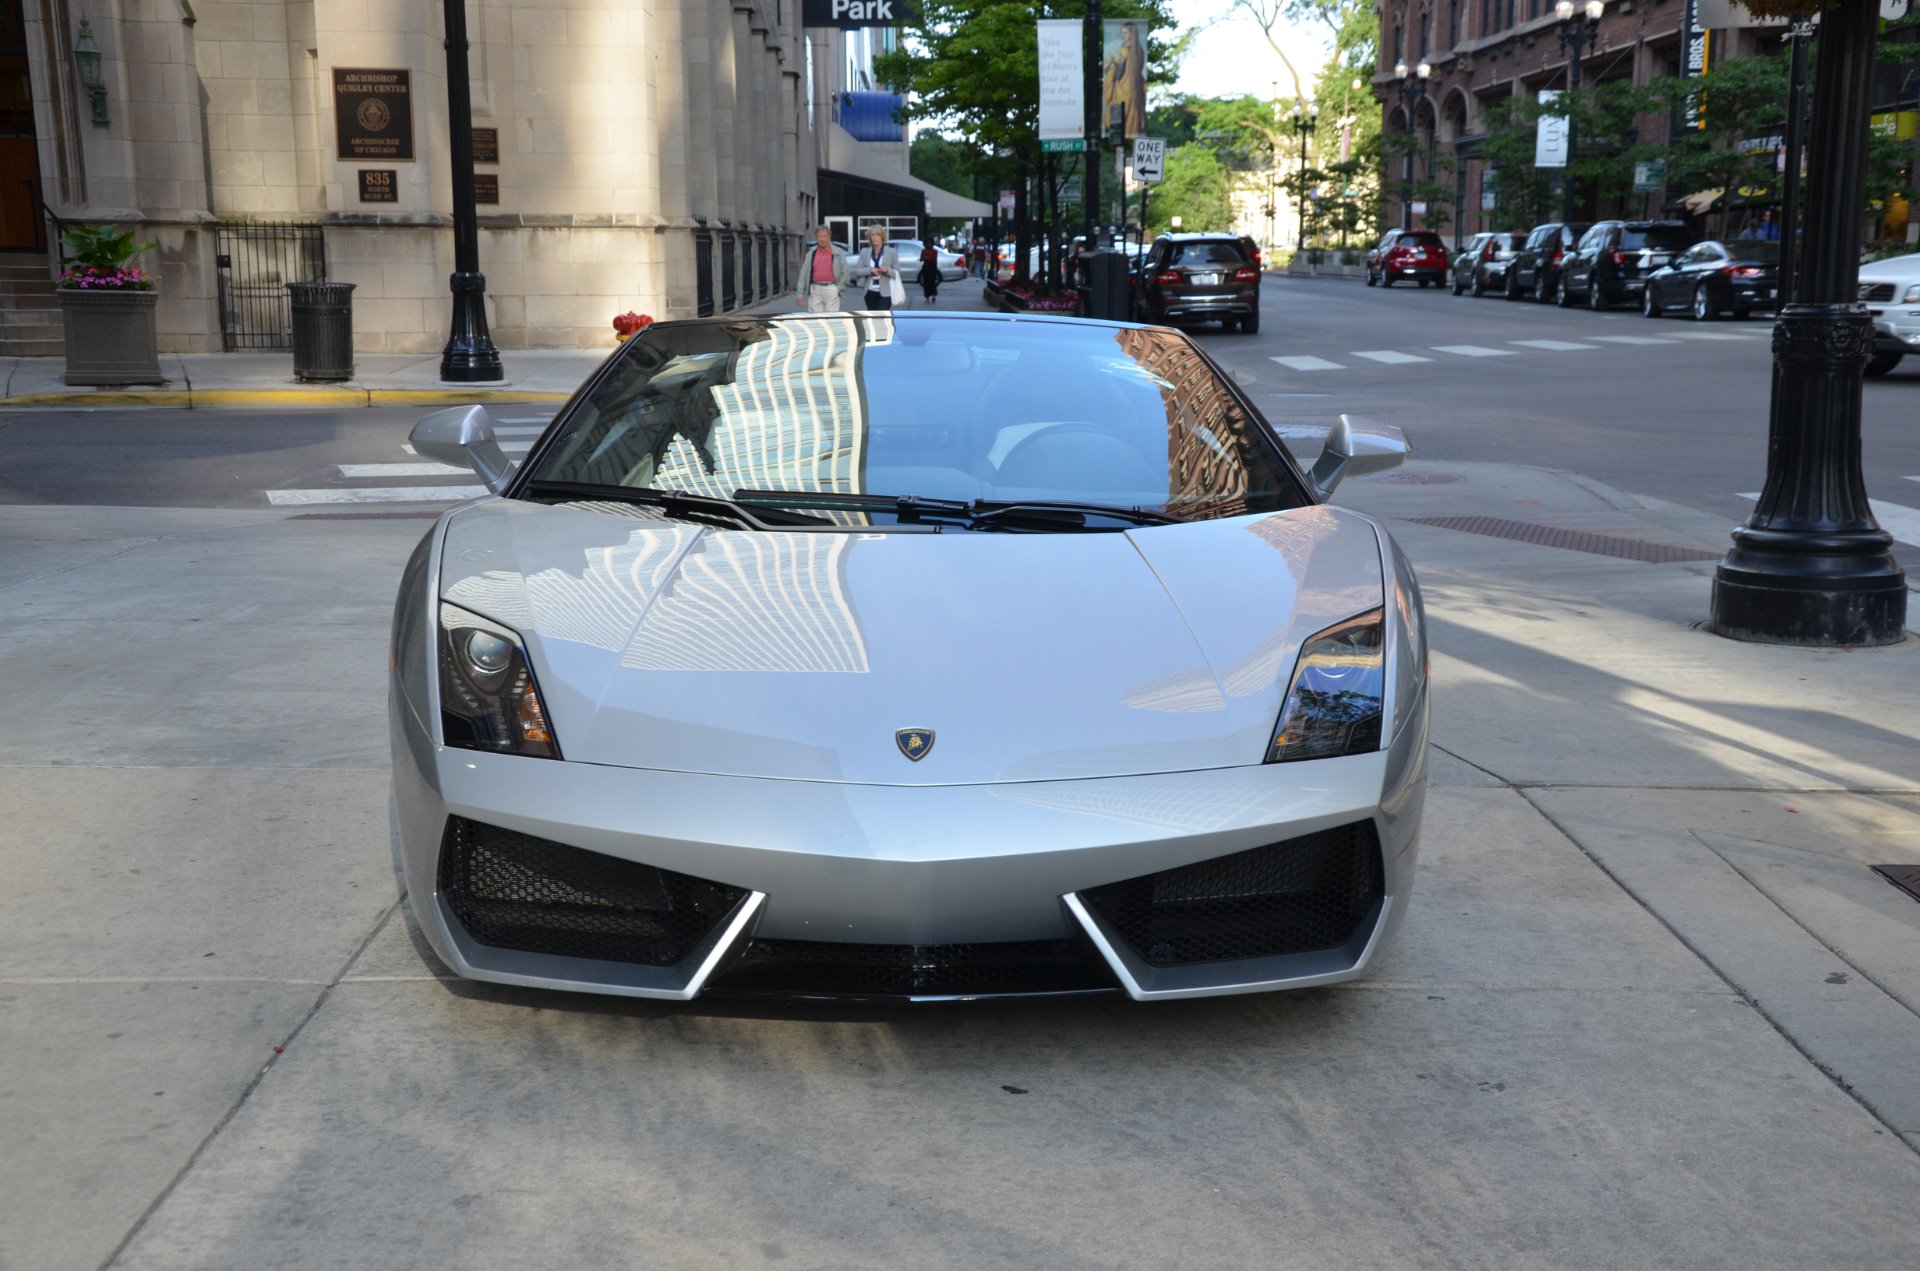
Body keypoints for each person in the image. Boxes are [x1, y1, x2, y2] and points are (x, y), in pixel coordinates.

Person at [794, 225, 849, 311]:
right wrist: (800, 294)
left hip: (831, 288)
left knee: (831, 319)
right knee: (815, 319)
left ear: (829, 237)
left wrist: (838, 289)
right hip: (815, 289)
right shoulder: (811, 254)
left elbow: (846, 273)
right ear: (816, 238)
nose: (822, 239)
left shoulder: (838, 252)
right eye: (819, 236)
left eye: (824, 236)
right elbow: (803, 274)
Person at [851, 226, 900, 311]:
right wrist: (870, 270)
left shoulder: (892, 252)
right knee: (872, 318)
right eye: (872, 235)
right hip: (869, 291)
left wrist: (887, 270)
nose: (875, 237)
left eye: (877, 235)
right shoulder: (864, 251)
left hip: (886, 292)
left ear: (882, 237)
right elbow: (858, 271)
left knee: (881, 317)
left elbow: (897, 273)